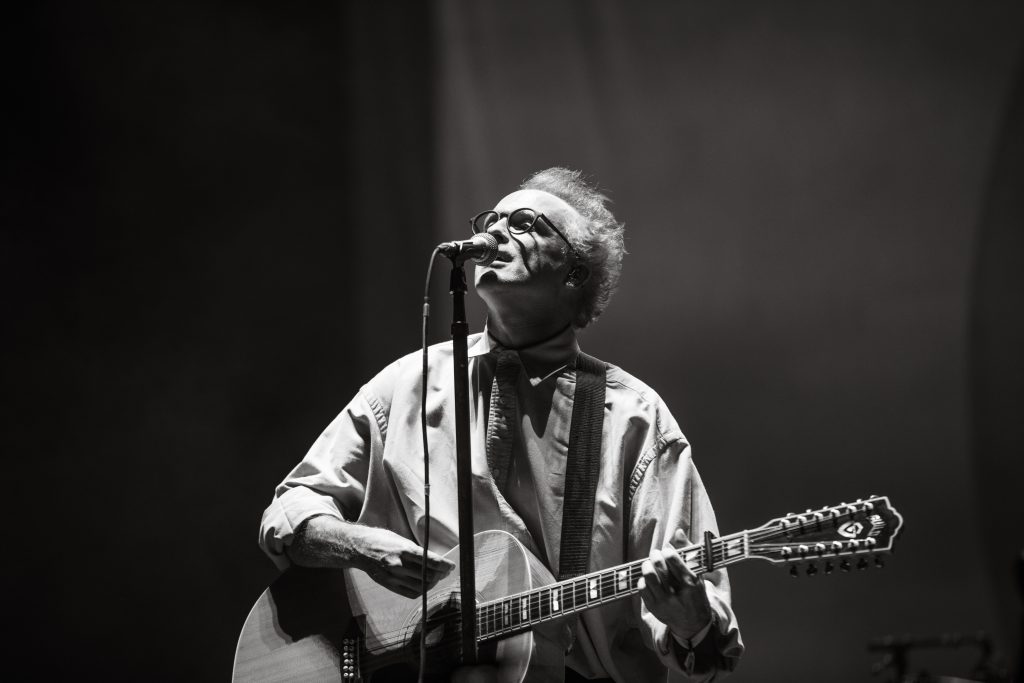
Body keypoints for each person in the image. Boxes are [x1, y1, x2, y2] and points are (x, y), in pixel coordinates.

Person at [259, 168, 744, 681]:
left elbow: (703, 644)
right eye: (492, 219)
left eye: (525, 222)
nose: (493, 234)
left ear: (574, 273)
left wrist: (691, 622)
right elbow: (291, 510)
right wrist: (364, 547)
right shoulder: (406, 385)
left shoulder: (634, 420)